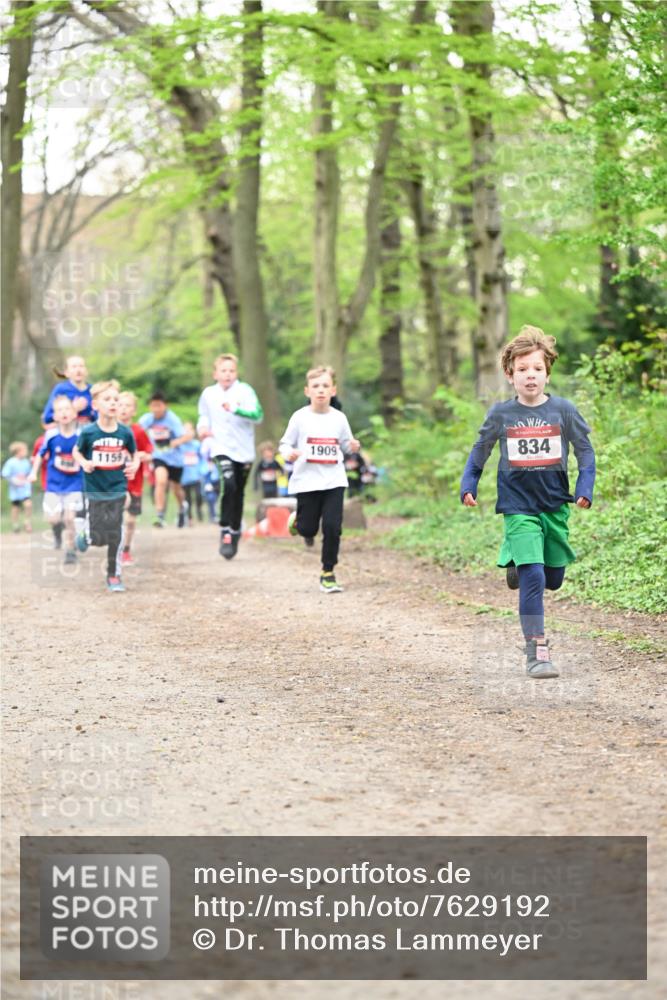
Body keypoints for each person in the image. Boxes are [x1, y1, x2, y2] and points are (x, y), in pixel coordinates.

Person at [460, 325, 595, 679]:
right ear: (510, 374)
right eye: (522, 369)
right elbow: (480, 451)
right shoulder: (501, 414)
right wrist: (468, 483)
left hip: (555, 505)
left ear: (547, 371)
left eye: (536, 368)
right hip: (517, 505)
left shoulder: (564, 411)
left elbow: (585, 452)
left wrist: (586, 485)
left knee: (553, 578)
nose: (530, 375)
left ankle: (517, 567)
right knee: (535, 575)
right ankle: (537, 651)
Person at [280, 365, 361, 593]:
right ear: (307, 391)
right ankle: (300, 520)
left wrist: (352, 446)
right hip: (307, 480)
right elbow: (285, 443)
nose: (321, 390)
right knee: (307, 530)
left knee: (333, 526)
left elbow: (346, 445)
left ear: (333, 390)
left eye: (325, 386)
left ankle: (328, 572)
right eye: (316, 386)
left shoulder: (339, 418)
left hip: (334, 480)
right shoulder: (300, 417)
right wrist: (289, 453)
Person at [73, 380, 138, 592]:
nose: (113, 403)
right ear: (95, 405)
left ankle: (114, 575)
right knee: (98, 536)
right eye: (107, 399)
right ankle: (86, 535)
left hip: (117, 487)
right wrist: (84, 463)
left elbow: (134, 454)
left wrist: (134, 466)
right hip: (94, 488)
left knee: (115, 533)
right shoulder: (89, 432)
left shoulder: (125, 432)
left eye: (116, 400)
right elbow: (77, 452)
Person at [197, 353, 263, 559]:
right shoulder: (208, 393)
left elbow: (258, 415)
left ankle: (235, 530)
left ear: (236, 373)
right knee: (229, 484)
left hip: (244, 450)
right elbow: (203, 416)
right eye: (223, 371)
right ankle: (225, 529)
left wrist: (236, 409)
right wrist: (202, 428)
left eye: (231, 371)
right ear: (215, 374)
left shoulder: (245, 391)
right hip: (220, 446)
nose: (227, 374)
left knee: (239, 492)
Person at [29, 397, 84, 564]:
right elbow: (40, 455)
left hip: (74, 483)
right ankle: (56, 531)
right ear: (55, 416)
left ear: (74, 413)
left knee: (69, 517)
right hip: (54, 484)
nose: (64, 413)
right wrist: (34, 472)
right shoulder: (51, 435)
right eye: (60, 410)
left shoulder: (81, 435)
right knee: (53, 518)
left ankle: (70, 550)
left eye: (67, 409)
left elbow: (88, 455)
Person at [139, 391, 191, 528]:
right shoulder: (148, 419)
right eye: (153, 406)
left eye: (159, 406)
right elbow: (137, 431)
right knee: (160, 481)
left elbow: (186, 436)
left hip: (175, 459)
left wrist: (174, 442)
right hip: (158, 456)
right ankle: (160, 515)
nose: (156, 409)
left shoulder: (173, 419)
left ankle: (182, 509)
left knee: (176, 489)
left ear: (165, 406)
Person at [117, 391, 153, 566]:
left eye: (128, 406)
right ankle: (115, 546)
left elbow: (149, 452)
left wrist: (141, 456)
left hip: (135, 482)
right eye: (121, 405)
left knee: (130, 520)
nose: (123, 409)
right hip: (114, 481)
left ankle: (126, 550)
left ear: (134, 411)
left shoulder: (138, 431)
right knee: (117, 515)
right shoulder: (109, 430)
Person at [42, 355, 95, 427]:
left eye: (81, 366)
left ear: (86, 371)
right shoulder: (61, 389)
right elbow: (47, 417)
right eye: (74, 367)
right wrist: (73, 409)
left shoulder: (93, 390)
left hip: (89, 430)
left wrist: (91, 413)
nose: (78, 370)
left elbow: (99, 415)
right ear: (66, 372)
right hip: (66, 430)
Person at [2, 442, 32, 533]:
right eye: (24, 450)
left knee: (28, 504)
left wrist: (28, 479)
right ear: (18, 451)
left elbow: (29, 473)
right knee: (16, 507)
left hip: (25, 488)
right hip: (15, 490)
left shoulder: (26, 462)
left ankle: (27, 522)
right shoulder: (11, 462)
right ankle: (15, 524)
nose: (26, 452)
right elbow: (5, 474)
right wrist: (14, 480)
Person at [180, 424, 204, 525]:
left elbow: (203, 458)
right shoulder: (180, 445)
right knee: (187, 499)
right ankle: (189, 518)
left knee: (199, 495)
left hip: (196, 476)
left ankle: (199, 510)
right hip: (184, 477)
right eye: (185, 430)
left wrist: (202, 471)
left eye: (189, 430)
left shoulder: (197, 445)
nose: (187, 433)